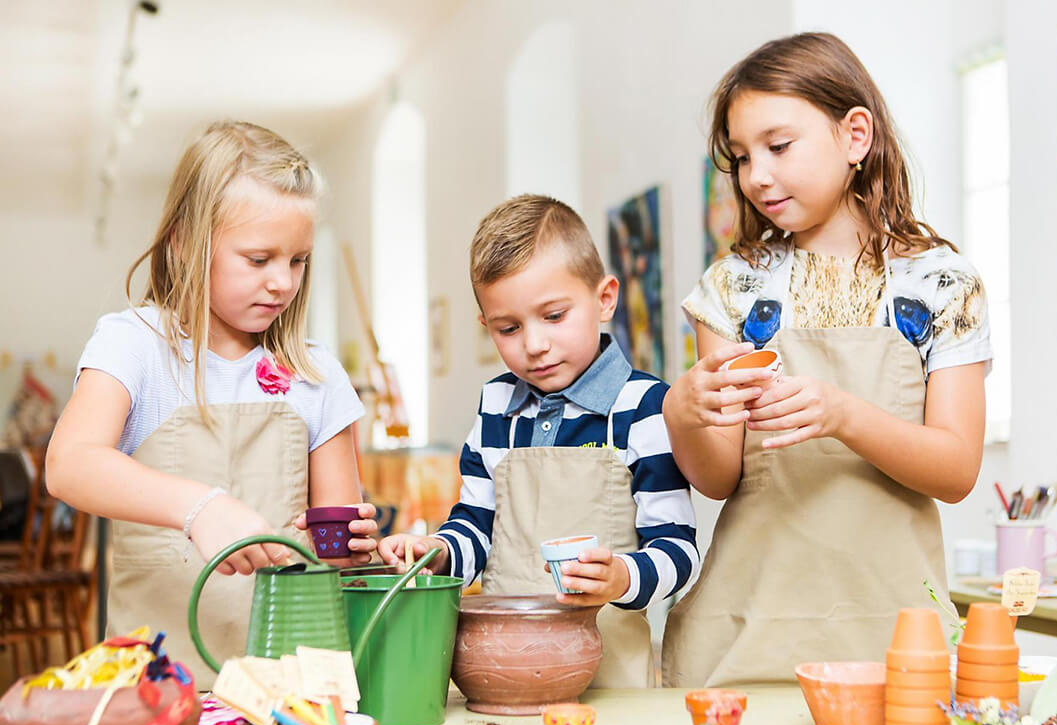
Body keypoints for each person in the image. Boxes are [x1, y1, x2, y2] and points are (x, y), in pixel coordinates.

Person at [661, 33, 992, 688]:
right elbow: (720, 478)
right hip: (745, 635)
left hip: (893, 635)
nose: (756, 174)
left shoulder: (943, 284)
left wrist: (842, 413)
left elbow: (955, 471)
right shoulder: (733, 288)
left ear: (855, 136)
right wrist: (684, 411)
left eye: (778, 146)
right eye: (741, 158)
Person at [46, 121, 377, 687]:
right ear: (184, 244)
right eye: (258, 259)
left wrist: (352, 547)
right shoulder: (134, 346)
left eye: (297, 260)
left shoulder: (317, 376)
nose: (282, 282)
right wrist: (200, 507)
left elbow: (339, 554)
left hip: (289, 687)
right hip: (154, 690)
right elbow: (68, 464)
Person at [379, 194, 698, 688]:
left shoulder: (645, 406)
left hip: (611, 680)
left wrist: (623, 577)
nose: (534, 345)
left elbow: (678, 547)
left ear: (604, 298)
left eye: (554, 316)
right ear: (487, 327)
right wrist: (436, 554)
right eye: (509, 328)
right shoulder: (494, 407)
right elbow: (475, 529)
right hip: (506, 670)